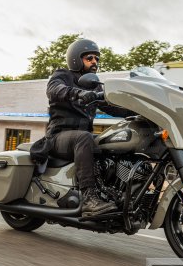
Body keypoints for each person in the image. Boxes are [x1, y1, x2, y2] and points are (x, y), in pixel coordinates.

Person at [45, 38, 135, 217]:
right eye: (90, 58)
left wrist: (137, 111)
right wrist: (79, 93)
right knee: (84, 137)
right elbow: (54, 89)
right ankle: (89, 199)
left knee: (117, 141)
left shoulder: (93, 84)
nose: (95, 62)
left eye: (96, 59)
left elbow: (112, 107)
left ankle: (117, 194)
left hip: (80, 140)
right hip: (58, 138)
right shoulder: (62, 75)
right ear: (76, 60)